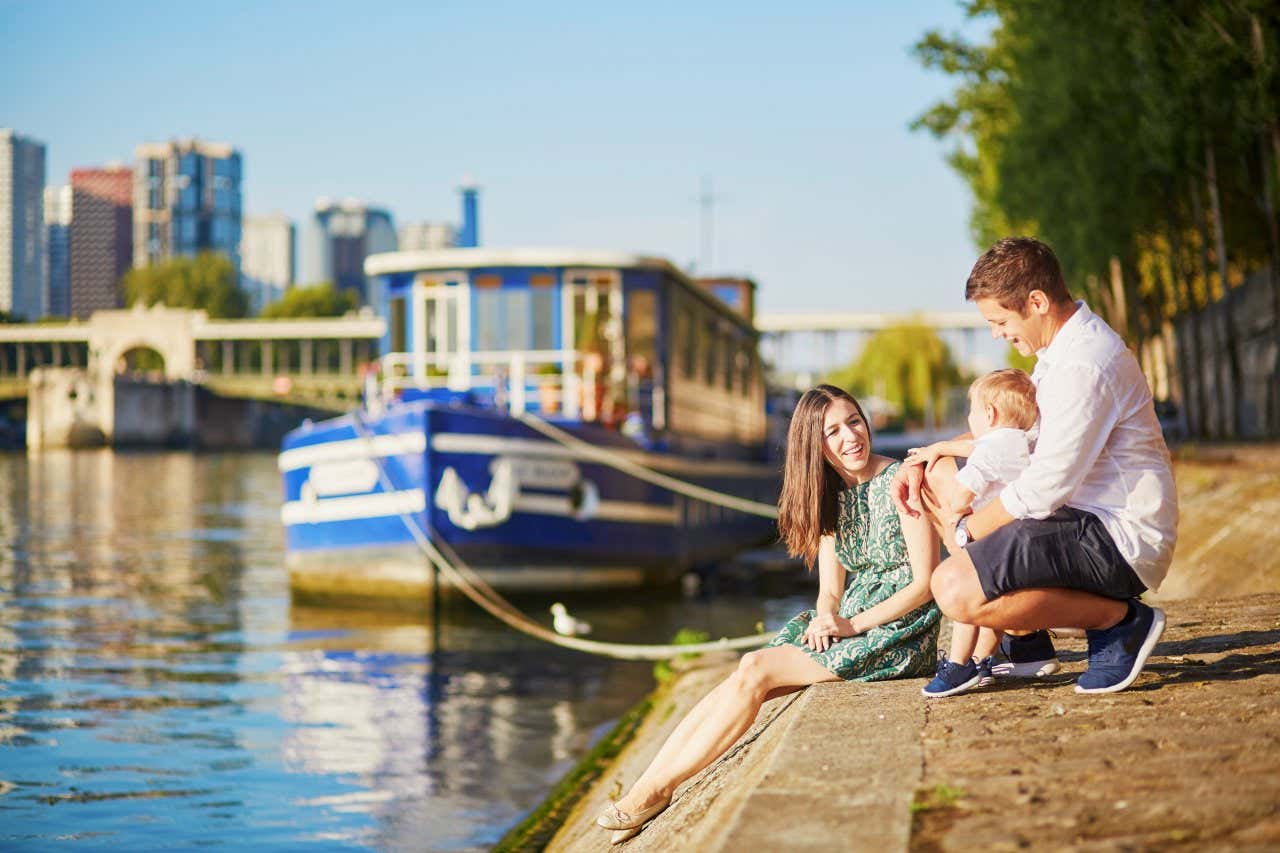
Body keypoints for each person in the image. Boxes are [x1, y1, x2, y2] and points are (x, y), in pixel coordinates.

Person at [596, 384, 941, 844]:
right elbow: (830, 590)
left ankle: (653, 793)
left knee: (756, 670)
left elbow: (924, 583)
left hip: (897, 633)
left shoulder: (901, 482)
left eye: (854, 422)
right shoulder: (831, 498)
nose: (849, 438)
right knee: (741, 676)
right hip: (851, 625)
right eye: (832, 432)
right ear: (812, 445)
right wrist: (826, 617)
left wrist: (851, 625)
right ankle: (648, 788)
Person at [893, 236, 1177, 696]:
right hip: (1077, 522)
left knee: (955, 590)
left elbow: (1045, 487)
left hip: (1117, 536)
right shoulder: (1059, 353)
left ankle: (1120, 622)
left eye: (1000, 320)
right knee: (941, 475)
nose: (997, 333)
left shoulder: (1083, 365)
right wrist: (931, 453)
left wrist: (967, 530)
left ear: (1037, 302)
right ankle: (1028, 636)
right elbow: (1013, 435)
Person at [904, 368, 1042, 698]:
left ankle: (957, 665)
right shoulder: (1021, 440)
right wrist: (940, 447)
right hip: (1022, 540)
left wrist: (951, 515)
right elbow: (979, 447)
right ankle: (984, 661)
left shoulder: (989, 453)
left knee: (965, 599)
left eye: (972, 411)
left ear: (989, 414)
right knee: (989, 600)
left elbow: (963, 492)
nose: (969, 419)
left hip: (995, 541)